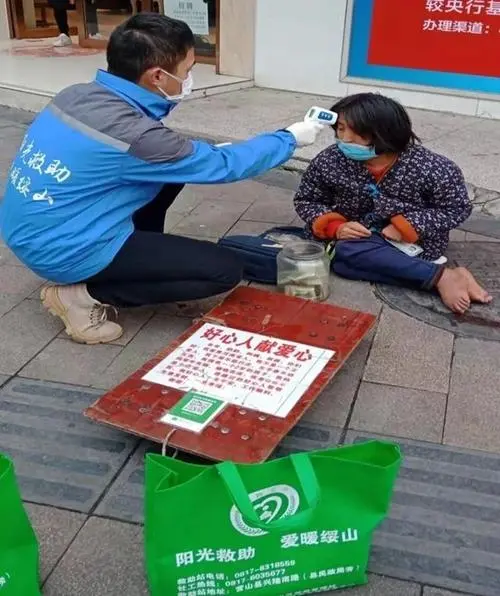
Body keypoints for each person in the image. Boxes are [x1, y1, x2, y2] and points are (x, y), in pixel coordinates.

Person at [0, 14, 323, 345]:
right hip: (64, 248)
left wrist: (202, 155)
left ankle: (141, 258)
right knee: (223, 270)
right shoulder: (135, 134)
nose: (188, 78)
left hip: (33, 225)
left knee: (171, 176)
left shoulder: (78, 95)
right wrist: (290, 138)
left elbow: (160, 155)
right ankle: (83, 294)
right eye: (188, 69)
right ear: (157, 76)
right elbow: (224, 166)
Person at [294, 93, 492, 314]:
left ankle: (437, 275)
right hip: (354, 237)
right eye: (340, 128)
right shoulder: (329, 160)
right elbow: (307, 199)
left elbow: (457, 207)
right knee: (341, 260)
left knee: (344, 258)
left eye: (357, 130)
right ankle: (443, 277)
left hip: (414, 245)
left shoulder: (433, 167)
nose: (345, 138)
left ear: (385, 132)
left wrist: (406, 226)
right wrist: (335, 227)